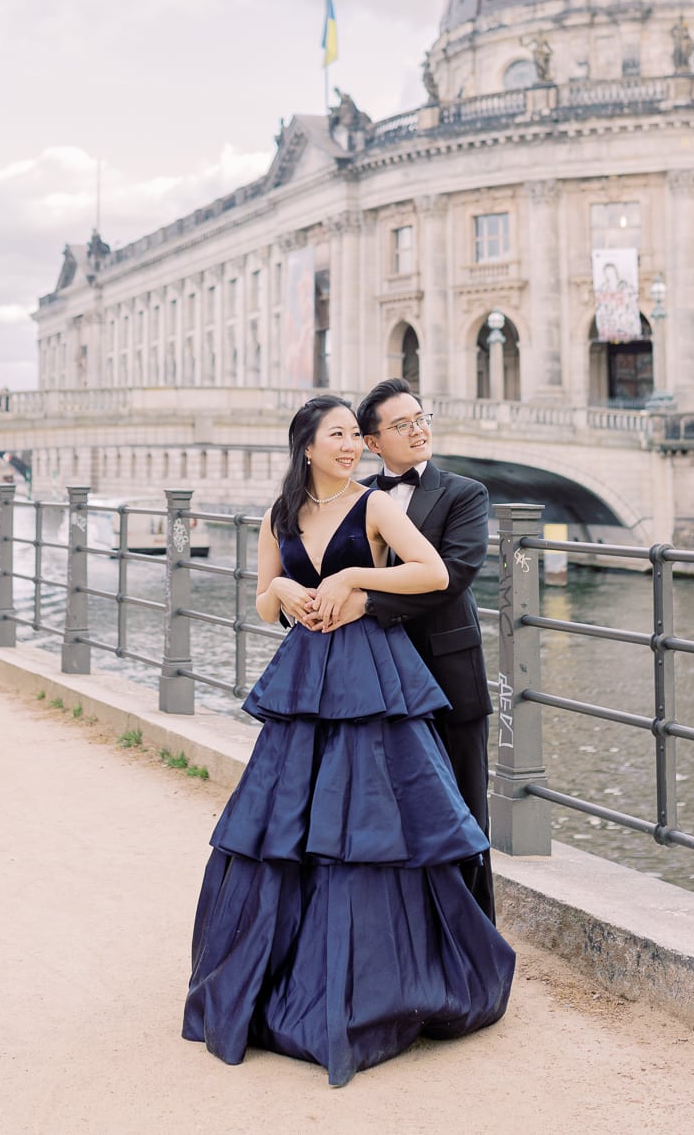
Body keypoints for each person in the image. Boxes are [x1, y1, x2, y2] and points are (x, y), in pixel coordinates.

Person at [182, 394, 514, 1087]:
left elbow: (435, 572)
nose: (347, 446)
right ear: (306, 445)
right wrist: (288, 593)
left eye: (350, 436)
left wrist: (354, 576)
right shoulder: (279, 513)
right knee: (292, 819)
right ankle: (287, 973)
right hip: (308, 671)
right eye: (335, 435)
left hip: (368, 668)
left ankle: (384, 980)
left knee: (369, 816)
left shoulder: (373, 505)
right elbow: (263, 597)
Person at [340, 379, 497, 923]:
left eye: (421, 417)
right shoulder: (355, 497)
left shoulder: (465, 493)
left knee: (464, 815)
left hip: (448, 676)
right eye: (402, 424)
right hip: (375, 678)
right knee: (388, 816)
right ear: (372, 442)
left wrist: (368, 603)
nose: (419, 428)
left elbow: (450, 579)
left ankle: (475, 952)